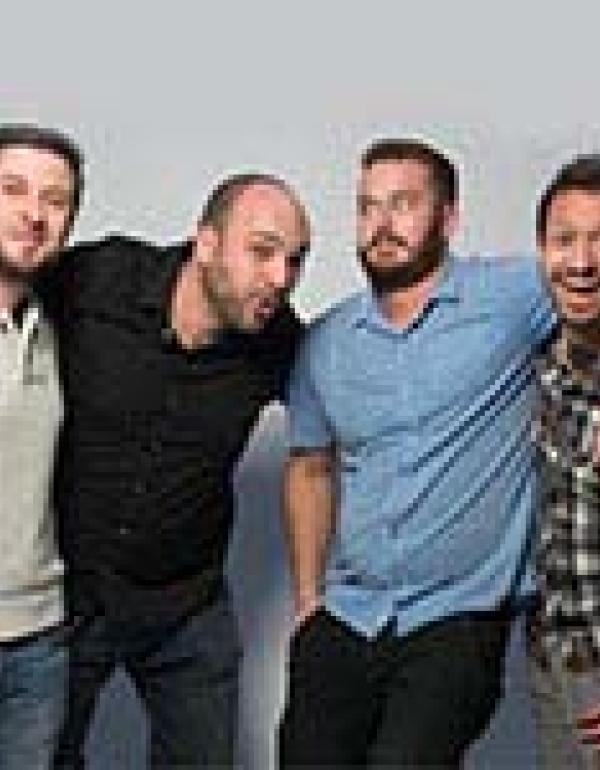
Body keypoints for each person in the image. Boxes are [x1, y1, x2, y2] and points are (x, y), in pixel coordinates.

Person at [279, 137, 554, 767]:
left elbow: (585, 286)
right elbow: (309, 467)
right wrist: (308, 602)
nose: (381, 225)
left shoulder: (515, 296)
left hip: (457, 617)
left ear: (448, 218)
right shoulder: (327, 341)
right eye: (367, 207)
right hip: (348, 615)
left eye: (402, 204)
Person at [46, 172, 310, 768]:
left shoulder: (279, 343)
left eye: (296, 260)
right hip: (68, 595)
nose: (281, 278)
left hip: (184, 604)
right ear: (206, 243)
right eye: (262, 251)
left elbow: (360, 410)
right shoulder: (100, 281)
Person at [0, 123, 82, 770]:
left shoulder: (58, 331)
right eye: (13, 189)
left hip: (37, 640)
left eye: (55, 201)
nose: (34, 214)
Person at [528, 155, 600, 769]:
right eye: (565, 239)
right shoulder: (542, 366)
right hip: (556, 660)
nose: (581, 261)